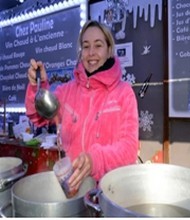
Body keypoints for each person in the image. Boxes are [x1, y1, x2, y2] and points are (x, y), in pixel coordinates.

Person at [25, 21, 139, 192]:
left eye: (98, 45)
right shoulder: (68, 91)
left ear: (109, 50)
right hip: (73, 189)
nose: (91, 53)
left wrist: (95, 160)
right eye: (86, 46)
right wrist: (36, 87)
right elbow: (38, 116)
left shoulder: (124, 92)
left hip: (108, 192)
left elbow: (129, 149)